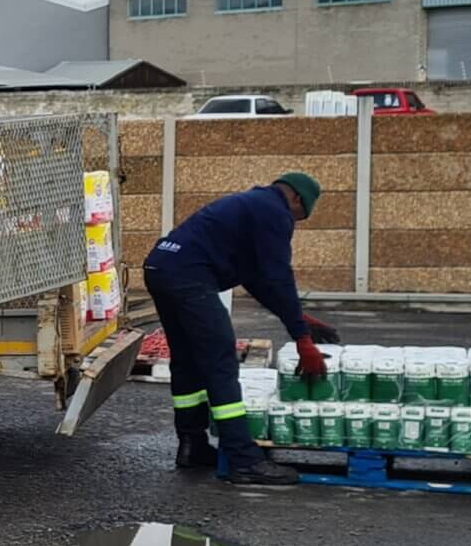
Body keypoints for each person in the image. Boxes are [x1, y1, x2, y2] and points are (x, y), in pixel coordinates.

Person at [142, 172, 340, 487]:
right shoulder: (275, 213)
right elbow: (277, 275)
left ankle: (191, 446)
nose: (296, 224)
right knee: (220, 360)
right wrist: (303, 341)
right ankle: (243, 460)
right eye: (300, 217)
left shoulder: (253, 205)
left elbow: (256, 279)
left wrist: (298, 319)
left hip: (161, 266)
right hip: (188, 276)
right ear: (297, 199)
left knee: (189, 361)